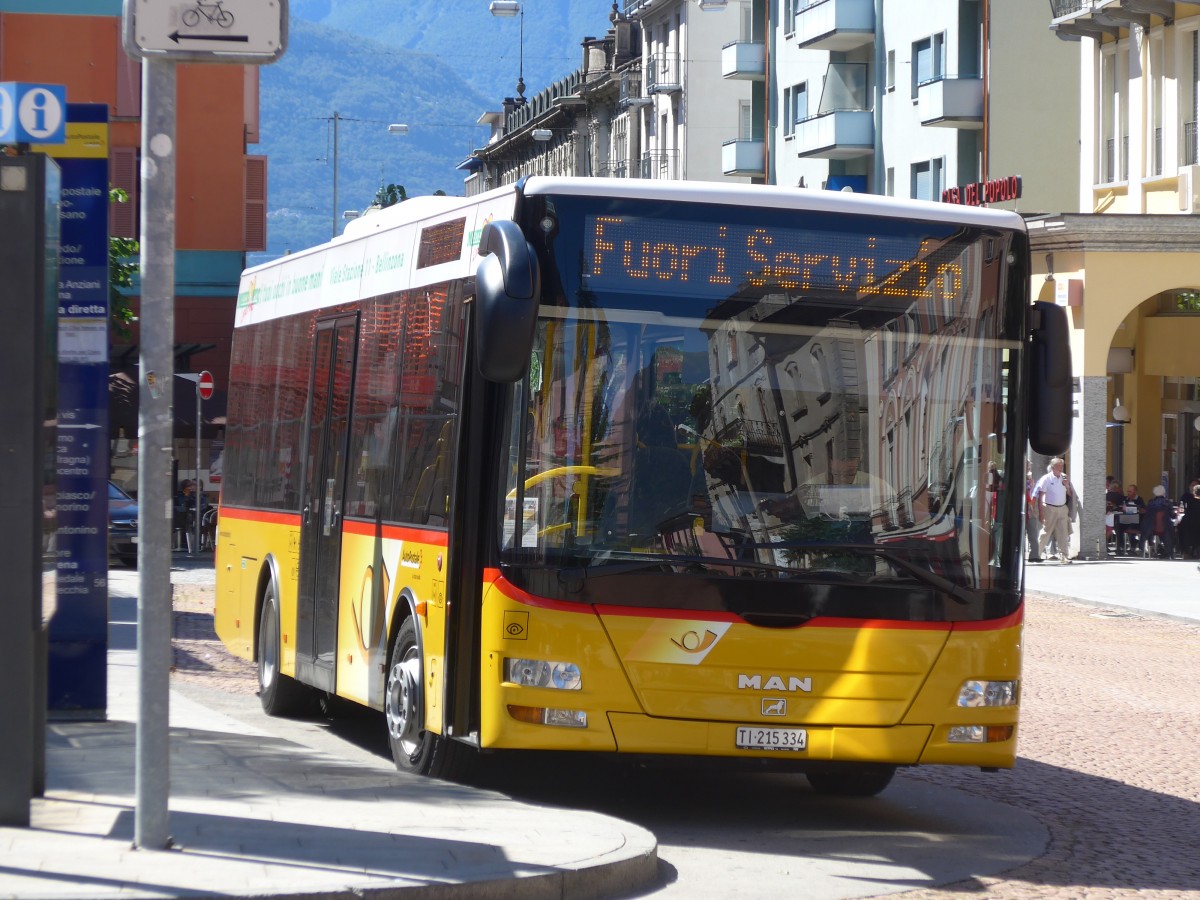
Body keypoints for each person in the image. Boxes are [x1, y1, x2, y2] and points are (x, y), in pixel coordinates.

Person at [1032, 457, 1072, 564]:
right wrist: (1041, 512)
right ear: (1053, 467)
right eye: (1059, 466)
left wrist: (1067, 485)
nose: (1061, 468)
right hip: (1050, 508)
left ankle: (1064, 556)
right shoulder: (1046, 478)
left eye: (1062, 466)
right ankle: (1036, 554)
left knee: (1063, 532)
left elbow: (1070, 494)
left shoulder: (1064, 478)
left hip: (1062, 508)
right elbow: (1041, 496)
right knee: (1046, 532)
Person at [1140, 484, 1177, 558]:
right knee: (1174, 530)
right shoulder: (1167, 503)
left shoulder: (1151, 502)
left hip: (1151, 528)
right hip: (1164, 528)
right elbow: (1173, 515)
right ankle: (1169, 551)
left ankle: (1151, 549)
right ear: (1164, 493)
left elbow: (1147, 514)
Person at [1116, 483, 1145, 555]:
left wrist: (1137, 510)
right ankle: (1121, 546)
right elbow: (1120, 508)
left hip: (1137, 521)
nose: (1128, 493)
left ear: (1135, 492)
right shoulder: (1125, 499)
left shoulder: (1139, 499)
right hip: (1126, 519)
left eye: (1130, 491)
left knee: (1131, 526)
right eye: (1128, 491)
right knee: (1118, 526)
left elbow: (1143, 510)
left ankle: (1133, 545)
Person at [1024, 463, 1041, 562]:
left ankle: (1034, 555)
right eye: (1027, 467)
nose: (1028, 469)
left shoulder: (1031, 480)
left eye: (1029, 467)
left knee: (1033, 534)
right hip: (1022, 510)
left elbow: (1033, 494)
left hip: (1031, 510)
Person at [1178, 483, 1200, 560]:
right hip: (1194, 525)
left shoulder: (1190, 501)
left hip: (1189, 524)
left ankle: (1185, 551)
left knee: (1182, 528)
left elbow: (1182, 510)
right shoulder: (1186, 497)